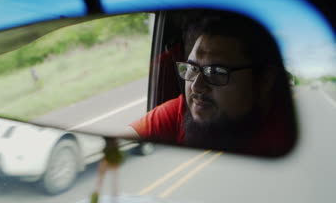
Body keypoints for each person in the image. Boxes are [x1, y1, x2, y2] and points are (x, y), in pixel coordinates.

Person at [126, 10, 296, 156]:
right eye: (192, 68)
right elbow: (124, 141)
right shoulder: (179, 112)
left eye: (216, 72)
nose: (196, 86)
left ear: (265, 80)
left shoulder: (287, 133)